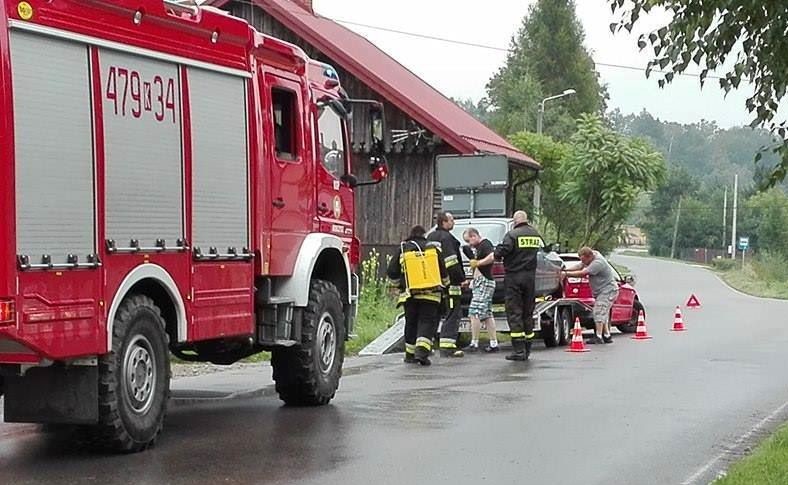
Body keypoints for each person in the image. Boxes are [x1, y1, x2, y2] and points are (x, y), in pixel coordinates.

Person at [387, 225, 450, 366]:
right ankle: (421, 353)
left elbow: (391, 271)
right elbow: (443, 271)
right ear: (424, 235)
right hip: (431, 295)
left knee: (411, 323)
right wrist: (446, 286)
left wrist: (399, 285)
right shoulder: (432, 248)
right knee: (426, 322)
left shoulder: (403, 248)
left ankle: (409, 355)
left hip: (410, 295)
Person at [494, 211, 543, 361]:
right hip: (530, 278)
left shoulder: (512, 235)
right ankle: (527, 349)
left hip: (514, 277)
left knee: (514, 312)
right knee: (528, 313)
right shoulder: (535, 234)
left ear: (515, 221)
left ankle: (518, 351)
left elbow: (503, 251)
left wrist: (497, 252)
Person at [428, 212, 466, 358]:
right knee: (453, 313)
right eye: (451, 220)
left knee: (433, 315)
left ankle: (428, 345)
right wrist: (461, 279)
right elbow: (451, 262)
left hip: (433, 283)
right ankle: (447, 347)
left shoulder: (430, 237)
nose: (453, 222)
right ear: (444, 222)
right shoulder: (447, 238)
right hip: (450, 284)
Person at [562, 247, 619, 344]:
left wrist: (566, 274)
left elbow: (583, 273)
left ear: (589, 257)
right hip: (602, 291)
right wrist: (565, 270)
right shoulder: (591, 257)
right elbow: (580, 266)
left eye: (583, 259)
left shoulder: (598, 263)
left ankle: (598, 336)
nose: (582, 262)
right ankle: (607, 335)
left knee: (598, 312)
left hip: (608, 290)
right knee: (602, 312)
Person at [462, 227, 499, 353]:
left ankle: (474, 342)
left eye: (469, 240)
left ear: (474, 236)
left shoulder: (485, 244)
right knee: (488, 314)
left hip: (484, 282)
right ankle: (493, 343)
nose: (469, 244)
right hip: (480, 282)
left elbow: (492, 256)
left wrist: (478, 263)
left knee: (474, 312)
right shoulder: (477, 249)